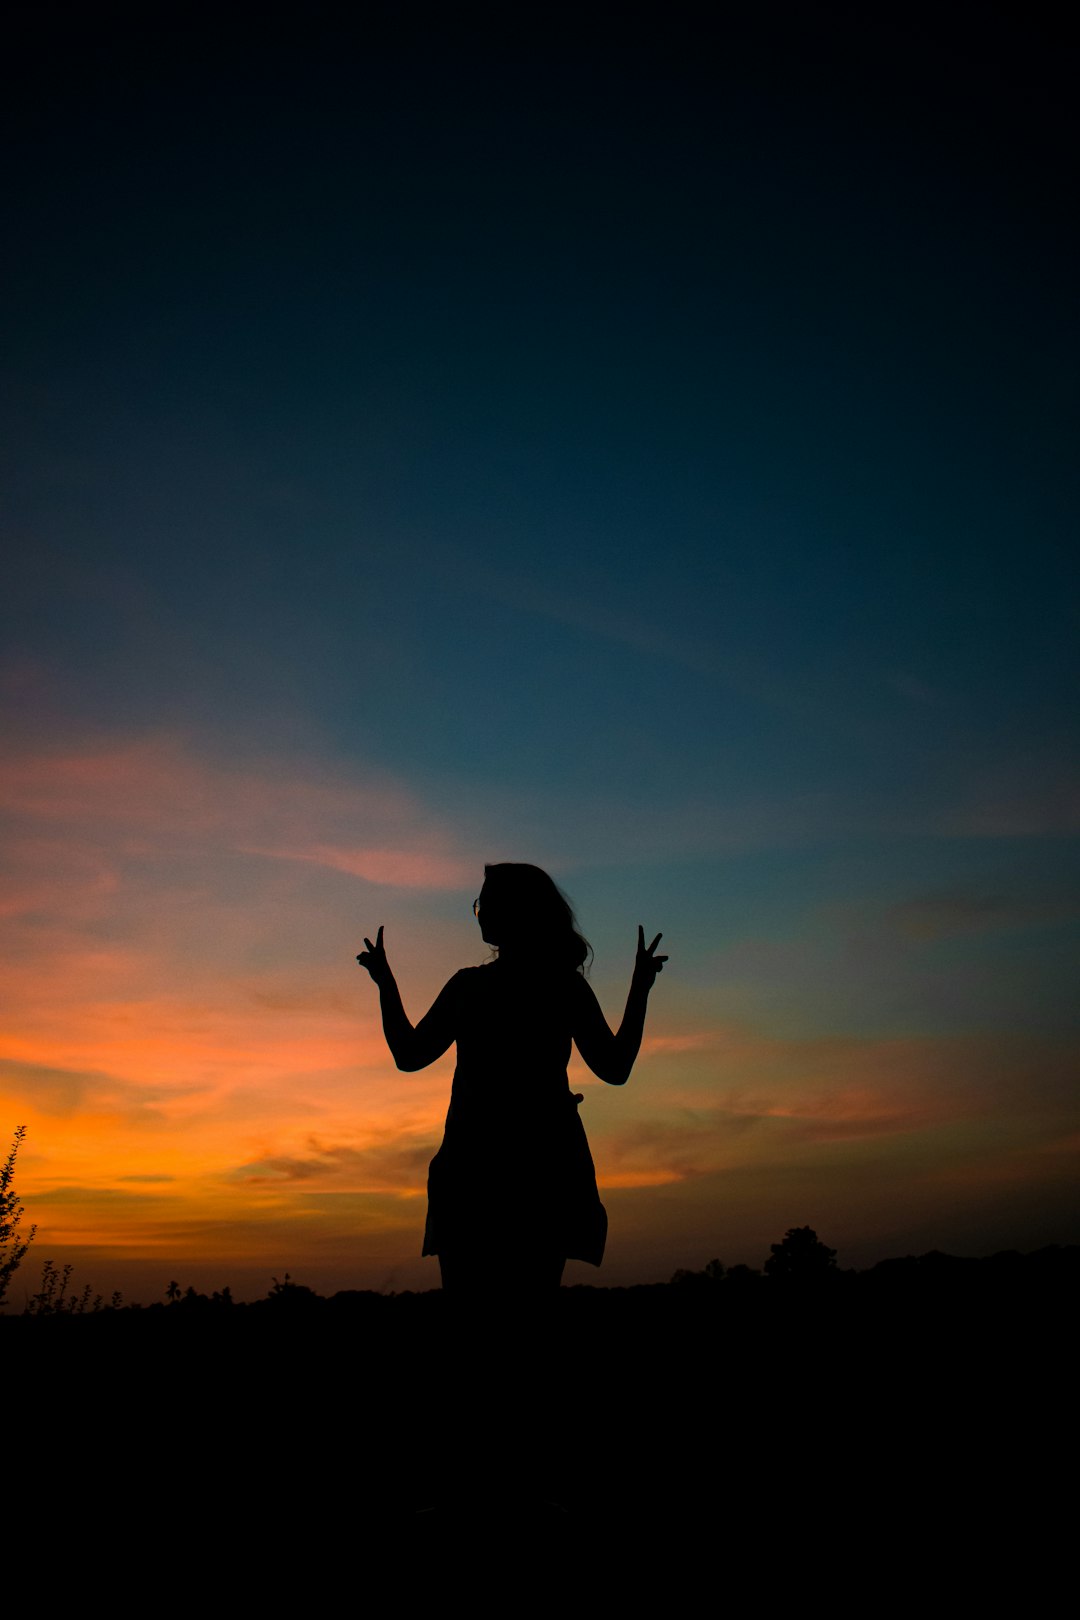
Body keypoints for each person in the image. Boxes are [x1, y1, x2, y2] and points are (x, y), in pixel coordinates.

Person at [356, 862, 667, 1295]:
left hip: (475, 1171)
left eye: (483, 903)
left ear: (511, 911)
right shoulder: (564, 987)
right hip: (544, 1169)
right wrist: (641, 988)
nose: (480, 912)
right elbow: (614, 1069)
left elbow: (409, 1056)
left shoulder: (470, 988)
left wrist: (384, 983)